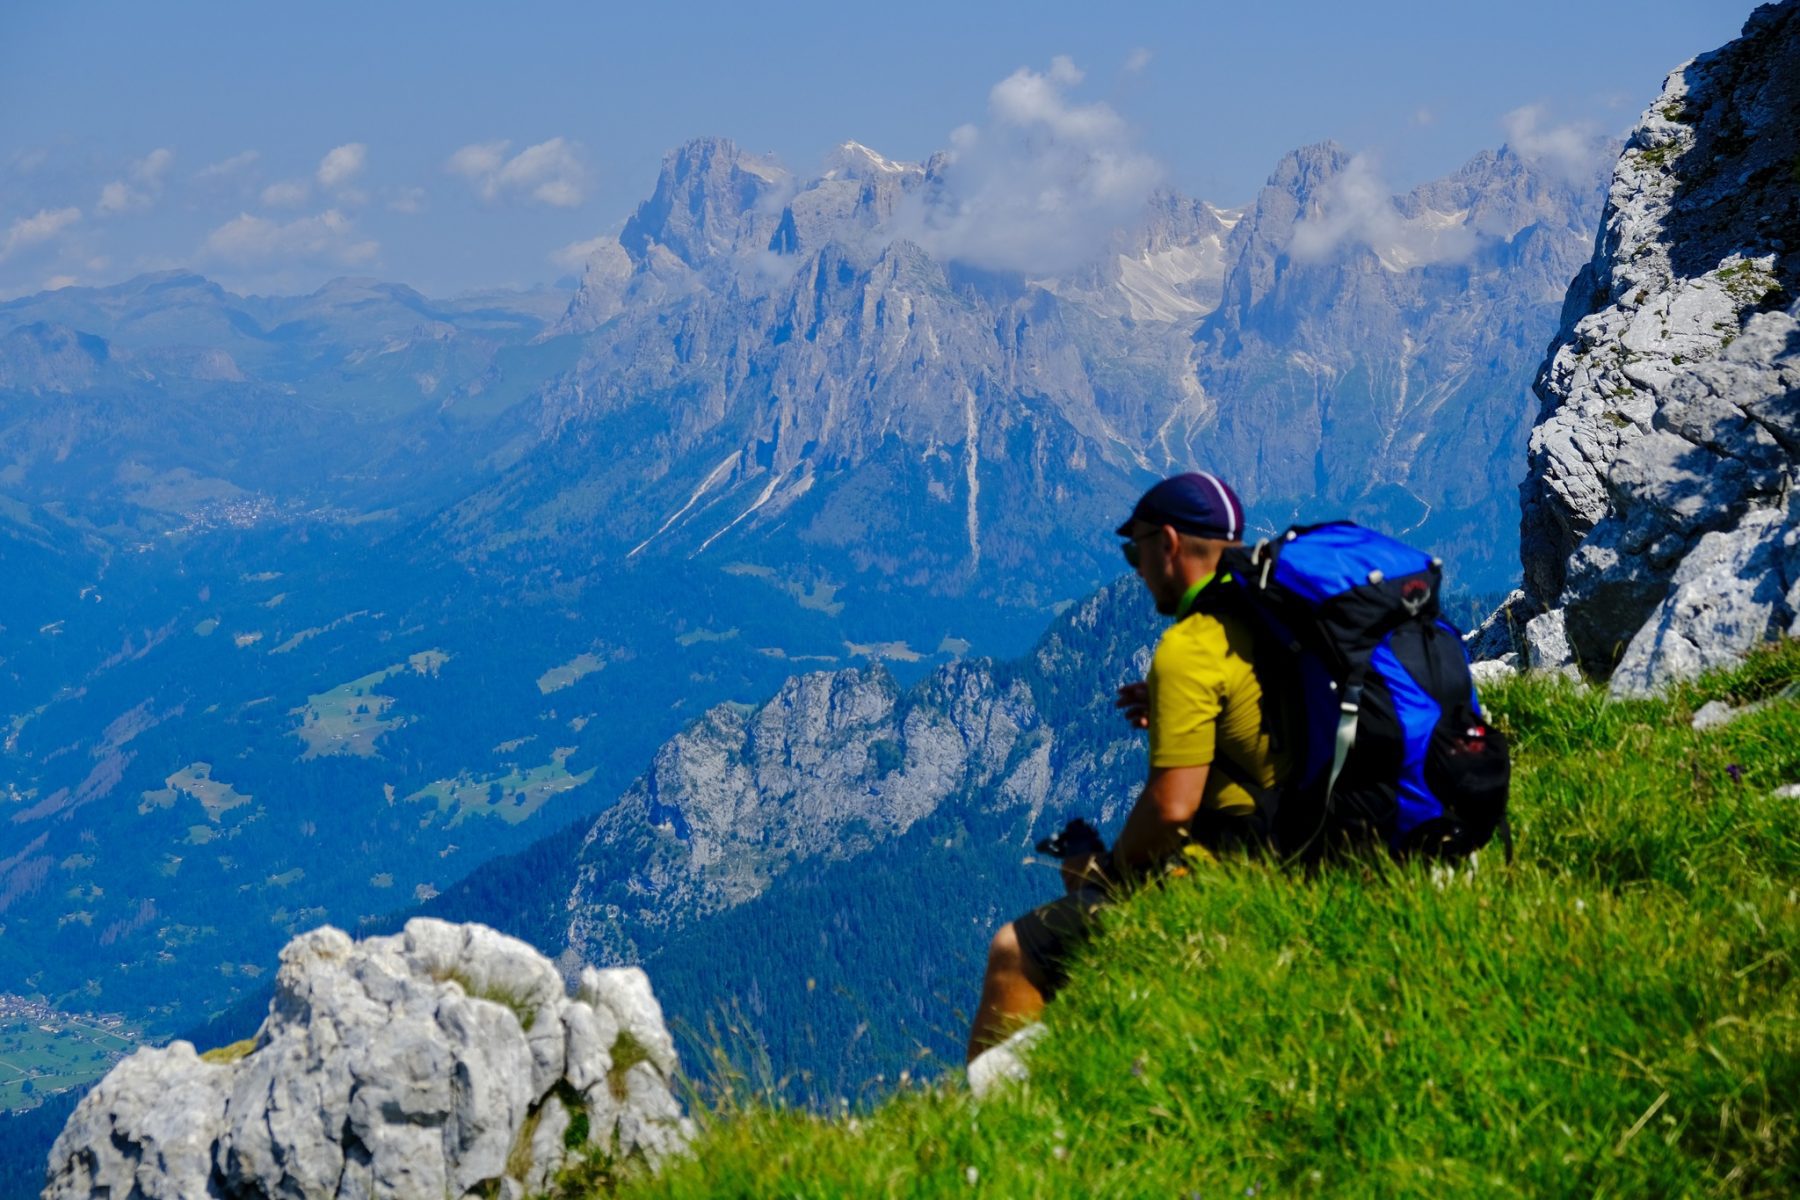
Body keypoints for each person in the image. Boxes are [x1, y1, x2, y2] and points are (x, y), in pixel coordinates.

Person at [965, 471, 1289, 1064]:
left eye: (1133, 550)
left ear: (1167, 543)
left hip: (1242, 869)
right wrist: (1184, 719)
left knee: (1014, 947)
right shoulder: (1270, 616)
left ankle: (996, 1133)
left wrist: (1108, 873)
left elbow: (1171, 809)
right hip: (1305, 836)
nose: (1135, 568)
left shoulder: (1191, 646)